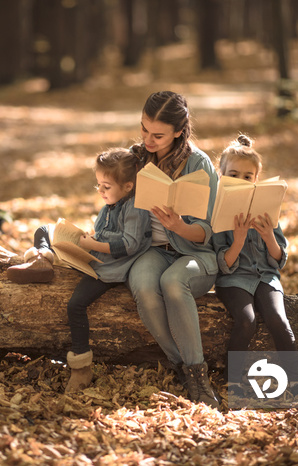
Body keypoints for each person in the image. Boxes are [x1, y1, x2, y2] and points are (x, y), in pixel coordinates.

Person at [6, 148, 152, 394]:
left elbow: (129, 244)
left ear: (128, 186)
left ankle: (81, 367)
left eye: (106, 186)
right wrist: (87, 237)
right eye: (98, 185)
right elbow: (104, 232)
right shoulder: (111, 204)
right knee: (43, 228)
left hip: (109, 268)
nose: (101, 191)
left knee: (76, 304)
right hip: (93, 253)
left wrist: (92, 244)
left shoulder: (135, 208)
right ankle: (42, 259)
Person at [127, 91, 220, 408]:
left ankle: (198, 376)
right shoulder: (138, 157)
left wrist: (179, 225)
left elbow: (208, 233)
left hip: (196, 253)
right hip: (154, 250)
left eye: (157, 134)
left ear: (179, 131)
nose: (147, 139)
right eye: (143, 129)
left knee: (172, 282)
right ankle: (181, 363)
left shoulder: (199, 164)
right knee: (142, 284)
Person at [211, 134, 298, 392]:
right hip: (234, 279)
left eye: (247, 176)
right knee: (246, 320)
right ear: (222, 175)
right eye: (233, 175)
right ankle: (232, 380)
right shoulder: (219, 210)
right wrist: (238, 241)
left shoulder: (265, 207)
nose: (241, 180)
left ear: (256, 179)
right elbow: (222, 263)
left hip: (265, 277)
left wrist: (268, 236)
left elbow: (278, 258)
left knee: (278, 320)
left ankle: (295, 378)